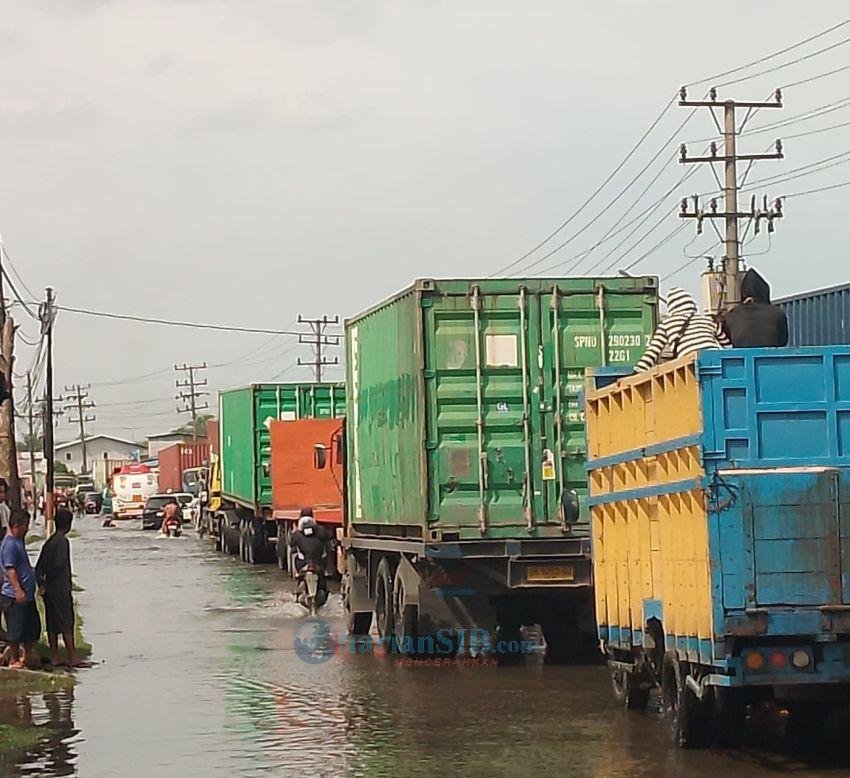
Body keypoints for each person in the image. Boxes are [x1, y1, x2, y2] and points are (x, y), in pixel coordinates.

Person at [635, 287, 730, 372]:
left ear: (671, 308)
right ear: (691, 304)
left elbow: (652, 352)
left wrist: (636, 372)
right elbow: (728, 347)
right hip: (715, 362)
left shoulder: (667, 324)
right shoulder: (708, 320)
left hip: (690, 366)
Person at [35, 508, 81, 668]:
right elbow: (59, 564)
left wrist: (42, 584)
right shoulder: (62, 542)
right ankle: (73, 657)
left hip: (49, 590)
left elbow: (38, 567)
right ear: (69, 525)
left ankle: (55, 656)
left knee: (52, 623)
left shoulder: (49, 542)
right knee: (66, 622)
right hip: (60, 588)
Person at [1, 510, 41, 669]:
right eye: (25, 526)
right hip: (14, 595)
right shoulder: (9, 544)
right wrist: (18, 590)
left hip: (27, 595)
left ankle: (26, 656)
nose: (27, 529)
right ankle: (13, 659)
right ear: (16, 525)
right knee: (16, 629)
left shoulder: (18, 541)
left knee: (31, 627)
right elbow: (10, 569)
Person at [721, 268, 789, 348]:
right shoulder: (778, 314)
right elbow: (783, 341)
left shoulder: (730, 316)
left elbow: (727, 343)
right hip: (771, 359)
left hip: (740, 359)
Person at [289, 510, 328, 575]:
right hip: (318, 563)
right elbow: (329, 536)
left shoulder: (297, 534)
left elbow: (292, 544)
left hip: (303, 563)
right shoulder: (320, 530)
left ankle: (298, 574)